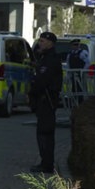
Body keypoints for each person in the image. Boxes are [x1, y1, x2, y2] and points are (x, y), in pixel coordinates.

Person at [29, 32, 63, 174]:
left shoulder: (51, 60)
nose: (40, 44)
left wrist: (32, 91)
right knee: (43, 132)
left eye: (42, 41)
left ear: (50, 43)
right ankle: (45, 162)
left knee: (45, 133)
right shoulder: (45, 57)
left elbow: (42, 81)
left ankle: (47, 164)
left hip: (47, 100)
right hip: (43, 101)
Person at [65, 38, 90, 104]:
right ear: (72, 46)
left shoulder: (83, 52)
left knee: (81, 89)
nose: (76, 46)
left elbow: (87, 63)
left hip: (81, 74)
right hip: (73, 74)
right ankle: (75, 104)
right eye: (74, 45)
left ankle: (81, 103)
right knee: (74, 89)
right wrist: (69, 74)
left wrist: (83, 71)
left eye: (77, 44)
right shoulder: (70, 54)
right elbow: (68, 64)